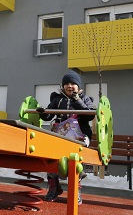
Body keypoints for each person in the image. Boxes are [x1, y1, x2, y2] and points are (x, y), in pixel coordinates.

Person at [37, 70, 95, 205]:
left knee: (76, 158)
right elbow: (49, 115)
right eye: (67, 84)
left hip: (79, 134)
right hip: (61, 134)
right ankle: (54, 185)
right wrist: (43, 113)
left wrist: (78, 101)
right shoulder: (57, 99)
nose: (70, 86)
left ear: (78, 87)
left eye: (73, 84)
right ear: (63, 86)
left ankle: (76, 189)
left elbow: (89, 115)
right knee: (51, 155)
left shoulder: (85, 98)